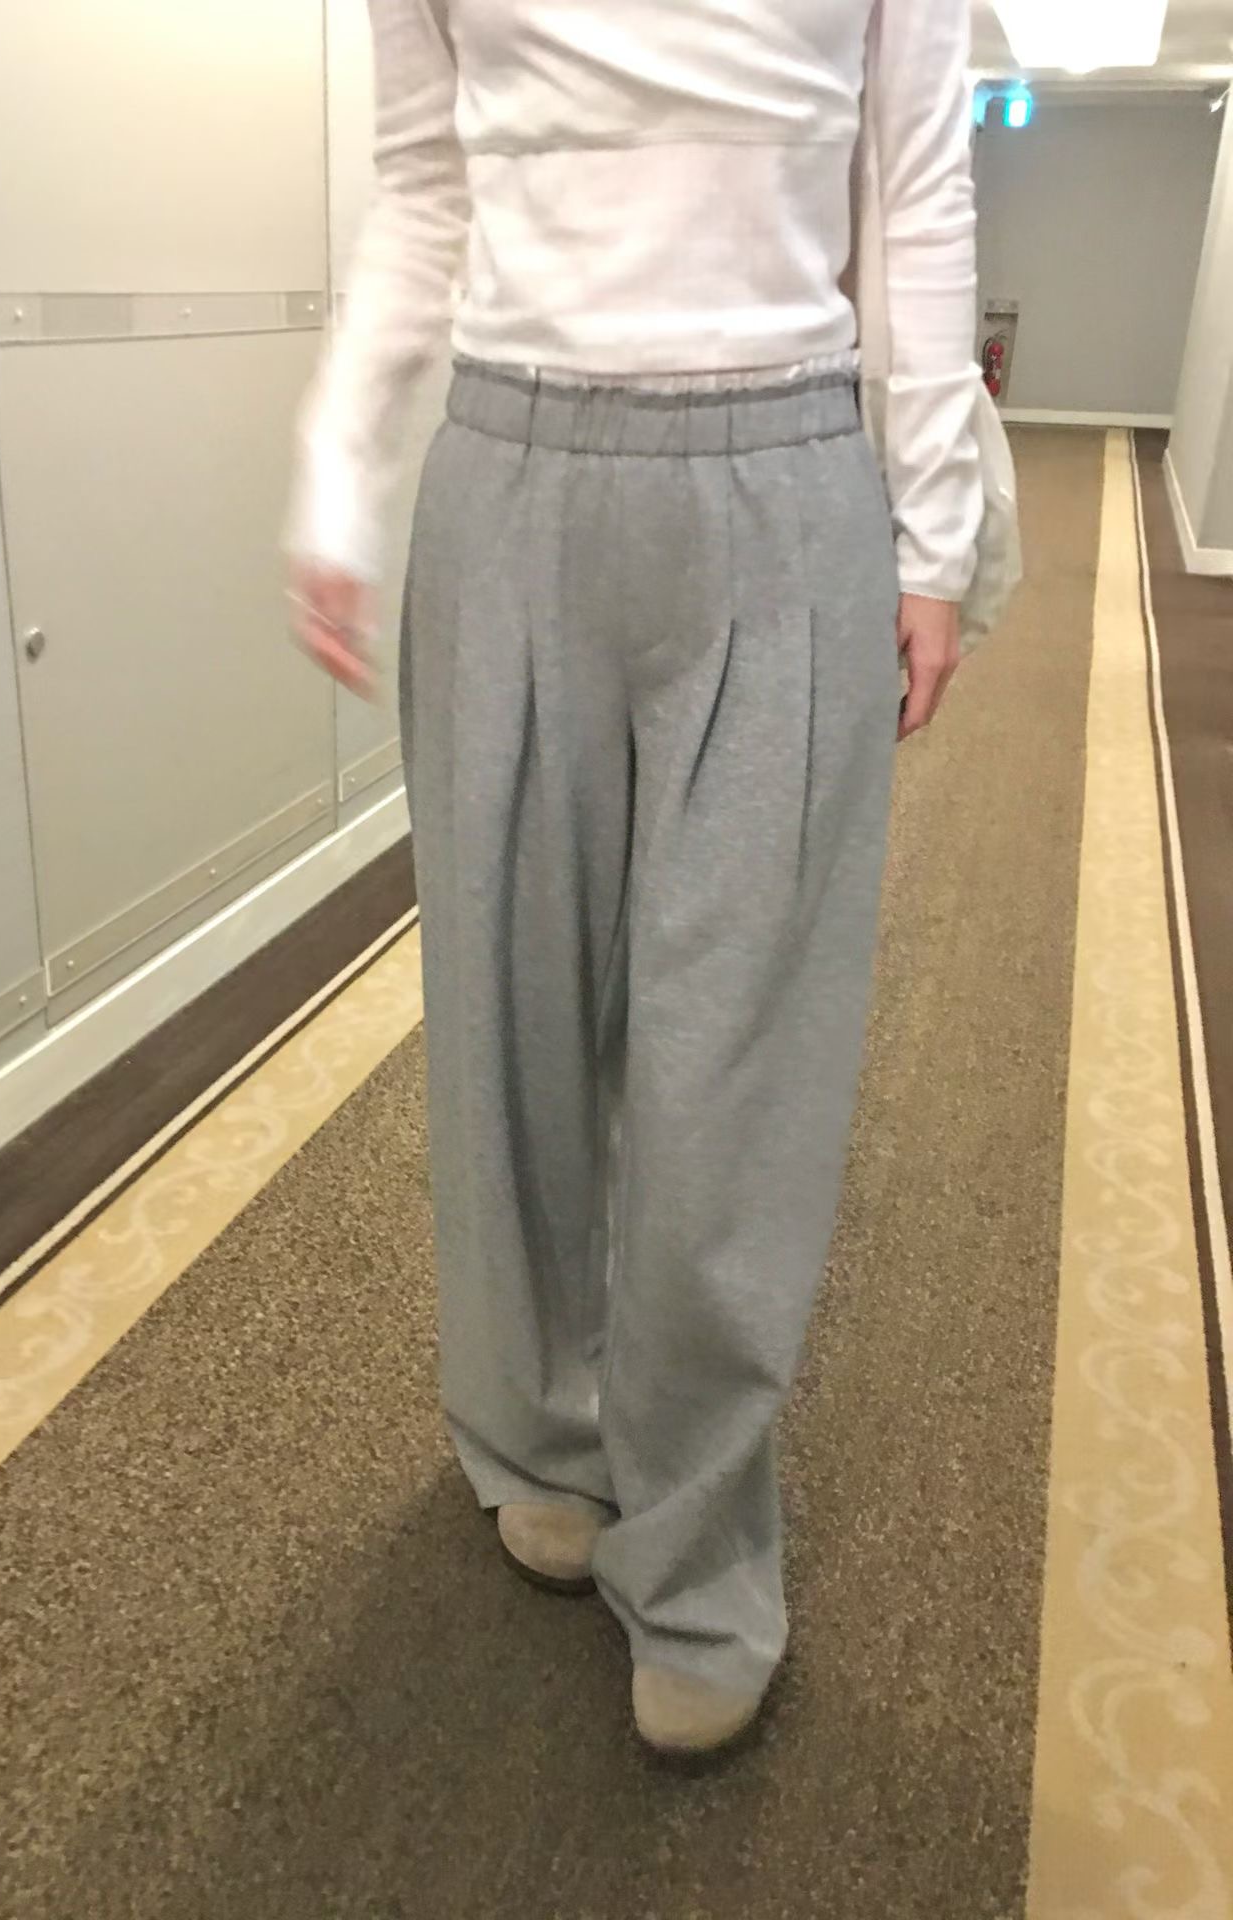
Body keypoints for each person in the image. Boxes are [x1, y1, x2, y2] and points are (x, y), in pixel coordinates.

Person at [287, 0, 982, 1758]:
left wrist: (940, 528)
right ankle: (535, 1429)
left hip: (785, 478)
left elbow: (913, 181)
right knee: (507, 1023)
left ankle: (698, 1556)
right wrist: (338, 471)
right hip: (508, 485)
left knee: (735, 1068)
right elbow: (423, 184)